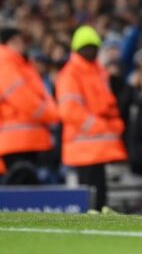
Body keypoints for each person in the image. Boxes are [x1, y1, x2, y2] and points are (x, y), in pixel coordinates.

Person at [55, 25, 128, 210]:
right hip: (83, 142)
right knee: (89, 187)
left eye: (93, 47)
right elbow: (69, 109)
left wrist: (114, 124)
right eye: (86, 47)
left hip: (99, 142)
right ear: (77, 50)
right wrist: (98, 125)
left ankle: (100, 210)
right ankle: (93, 212)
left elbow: (108, 103)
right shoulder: (70, 74)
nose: (91, 51)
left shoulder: (99, 72)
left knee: (99, 186)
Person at [0, 28, 59, 176]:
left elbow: (41, 94)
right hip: (17, 140)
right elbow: (22, 98)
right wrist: (51, 113)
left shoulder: (21, 64)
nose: (22, 45)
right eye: (17, 41)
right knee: (21, 188)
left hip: (28, 139)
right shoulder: (6, 62)